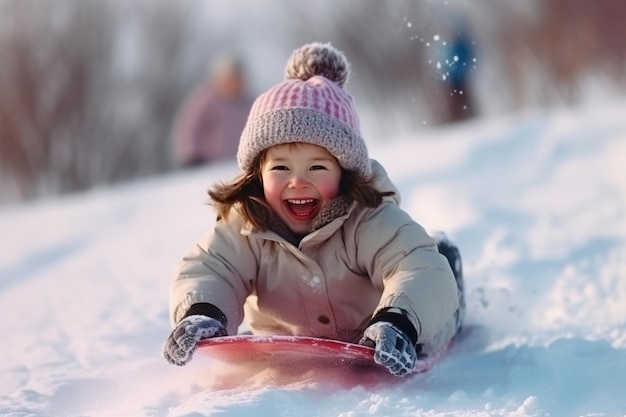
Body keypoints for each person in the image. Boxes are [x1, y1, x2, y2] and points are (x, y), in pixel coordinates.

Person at [163, 42, 465, 377]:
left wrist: (399, 320)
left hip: (383, 329)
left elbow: (418, 268)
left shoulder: (367, 219)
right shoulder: (247, 224)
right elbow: (211, 268)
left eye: (317, 168)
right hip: (287, 337)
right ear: (257, 174)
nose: (297, 182)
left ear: (345, 172)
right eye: (280, 169)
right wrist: (203, 310)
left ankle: (447, 264)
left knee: (434, 307)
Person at [172, 54, 252, 167]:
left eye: (237, 79)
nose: (233, 84)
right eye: (230, 79)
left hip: (238, 166)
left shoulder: (248, 104)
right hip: (209, 166)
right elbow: (190, 127)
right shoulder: (206, 101)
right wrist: (192, 154)